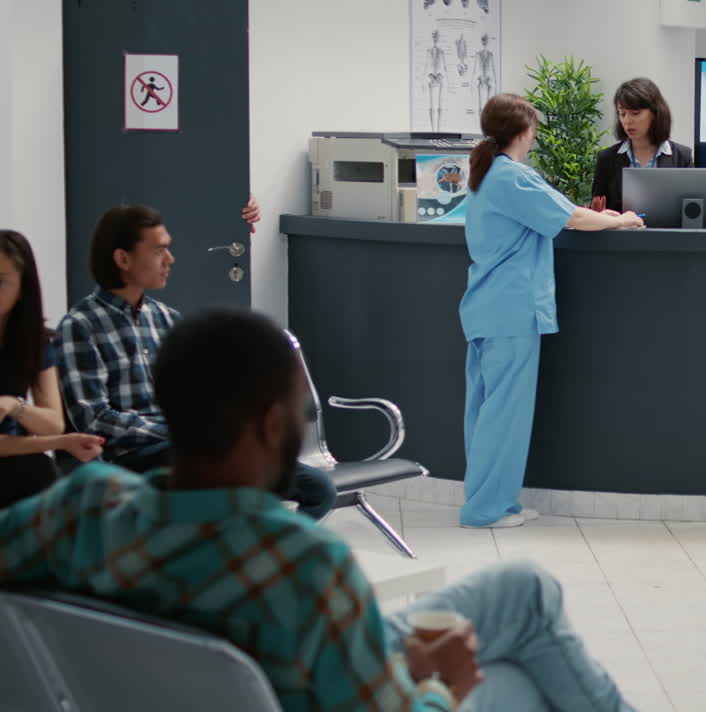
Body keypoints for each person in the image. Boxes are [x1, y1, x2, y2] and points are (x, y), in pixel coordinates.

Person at [0, 308, 635, 712]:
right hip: (300, 660)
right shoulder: (305, 566)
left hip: (246, 659)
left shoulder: (82, 509)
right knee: (520, 684)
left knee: (523, 586)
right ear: (275, 424)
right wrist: (440, 685)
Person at [55, 200, 338, 520]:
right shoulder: (81, 326)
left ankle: (249, 558)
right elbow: (93, 418)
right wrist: (177, 430)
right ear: (123, 258)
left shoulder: (167, 319)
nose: (170, 259)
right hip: (133, 457)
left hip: (188, 447)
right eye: (159, 251)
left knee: (317, 489)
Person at [460, 94, 643, 528]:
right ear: (526, 132)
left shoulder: (489, 174)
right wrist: (622, 220)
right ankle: (485, 509)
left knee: (487, 411)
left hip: (489, 308)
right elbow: (575, 218)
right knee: (504, 414)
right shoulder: (511, 177)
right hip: (511, 310)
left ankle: (494, 502)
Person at [0, 230, 103, 507]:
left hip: (18, 460)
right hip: (14, 456)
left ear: (23, 288)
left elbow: (52, 423)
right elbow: (54, 435)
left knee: (39, 473)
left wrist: (14, 405)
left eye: (0, 282)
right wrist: (61, 442)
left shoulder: (35, 341)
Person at [590, 78, 693, 213]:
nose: (627, 121)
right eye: (622, 113)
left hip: (666, 233)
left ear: (655, 113)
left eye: (635, 113)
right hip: (622, 233)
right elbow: (599, 210)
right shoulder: (607, 158)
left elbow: (690, 210)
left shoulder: (682, 157)